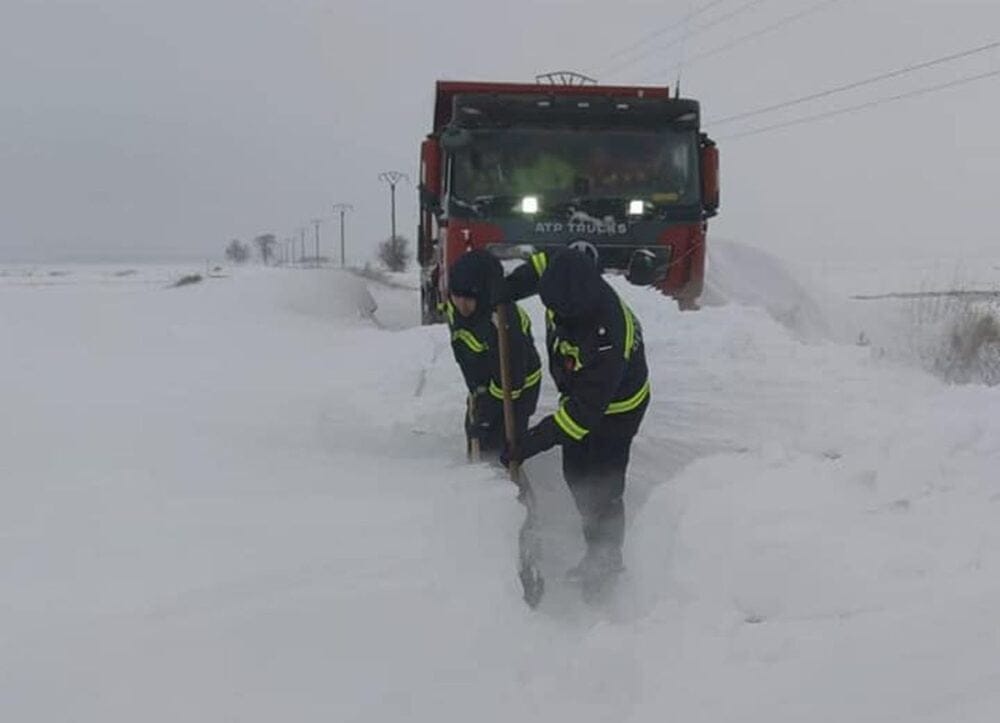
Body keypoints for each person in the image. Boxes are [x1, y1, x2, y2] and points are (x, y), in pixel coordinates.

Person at [503, 249, 650, 587]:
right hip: (582, 396)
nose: (555, 317)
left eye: (562, 314)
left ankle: (606, 561)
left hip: (618, 411)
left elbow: (580, 417)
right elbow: (545, 262)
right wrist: (512, 286)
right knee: (576, 471)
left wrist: (529, 443)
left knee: (603, 484)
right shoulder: (566, 277)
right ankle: (592, 531)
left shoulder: (607, 338)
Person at [444, 249, 542, 460]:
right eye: (456, 296)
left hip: (519, 387)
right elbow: (464, 350)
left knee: (504, 443)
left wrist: (487, 414)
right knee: (476, 432)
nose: (461, 305)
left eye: (469, 298)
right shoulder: (454, 310)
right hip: (485, 381)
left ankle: (505, 487)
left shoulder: (503, 321)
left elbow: (512, 380)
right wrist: (477, 391)